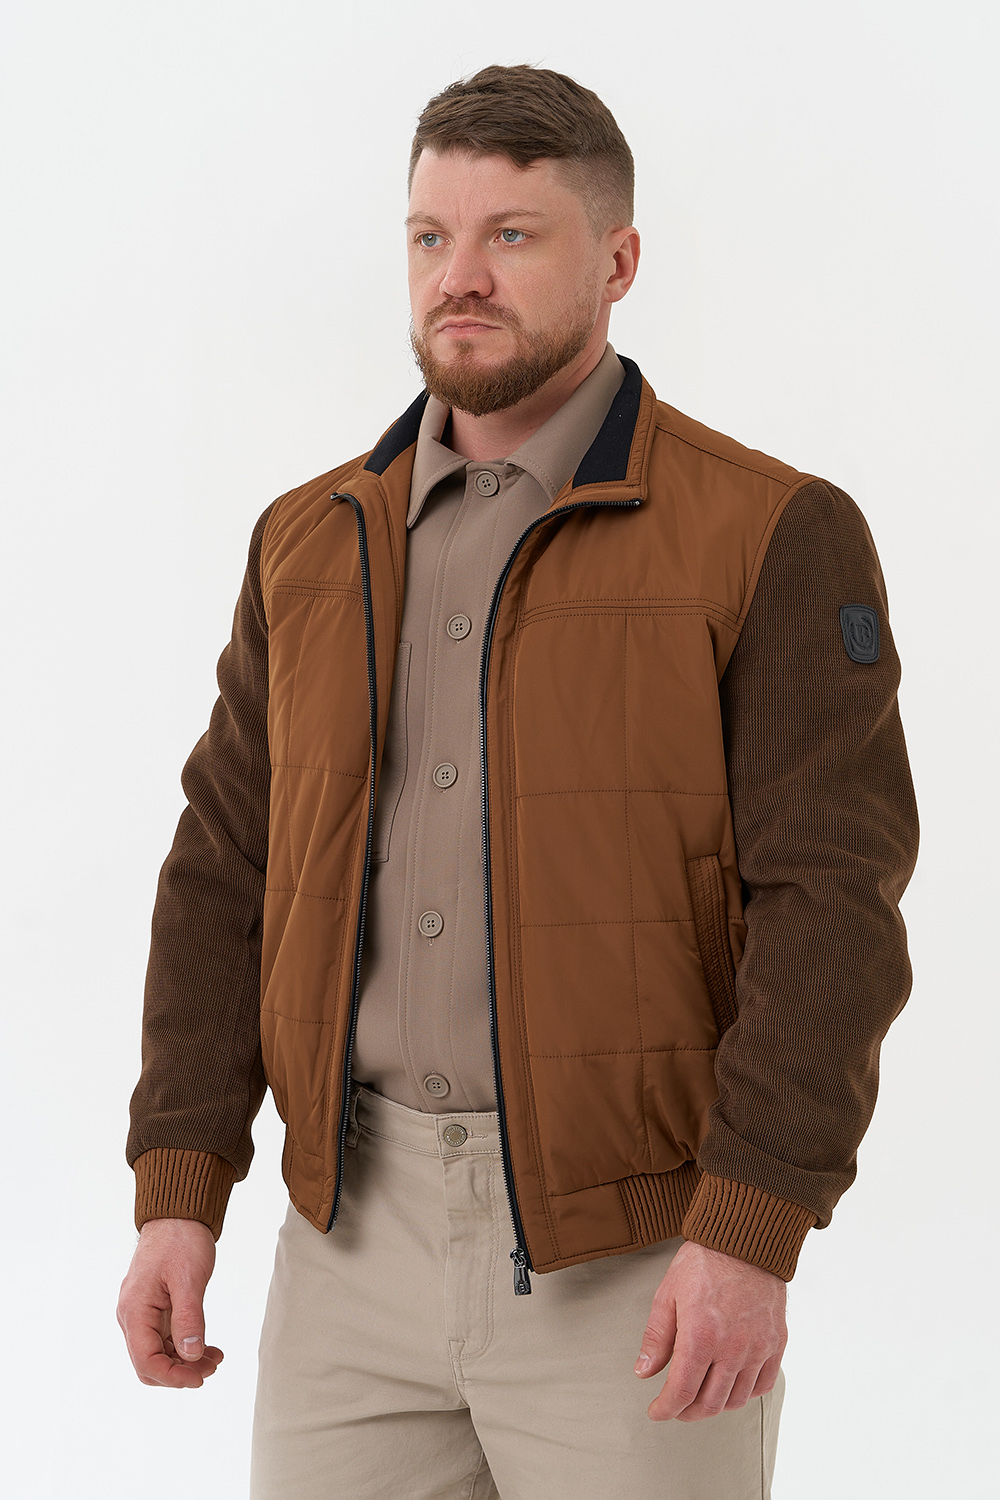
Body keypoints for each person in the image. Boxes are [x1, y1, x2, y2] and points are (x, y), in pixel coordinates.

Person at [117, 64, 919, 1500]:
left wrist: (751, 1228)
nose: (460, 276)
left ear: (617, 262)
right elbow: (224, 868)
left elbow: (833, 907)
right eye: (431, 235)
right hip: (347, 1246)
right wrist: (180, 1184)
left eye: (512, 234)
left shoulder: (769, 532)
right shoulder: (309, 540)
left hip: (636, 1261)